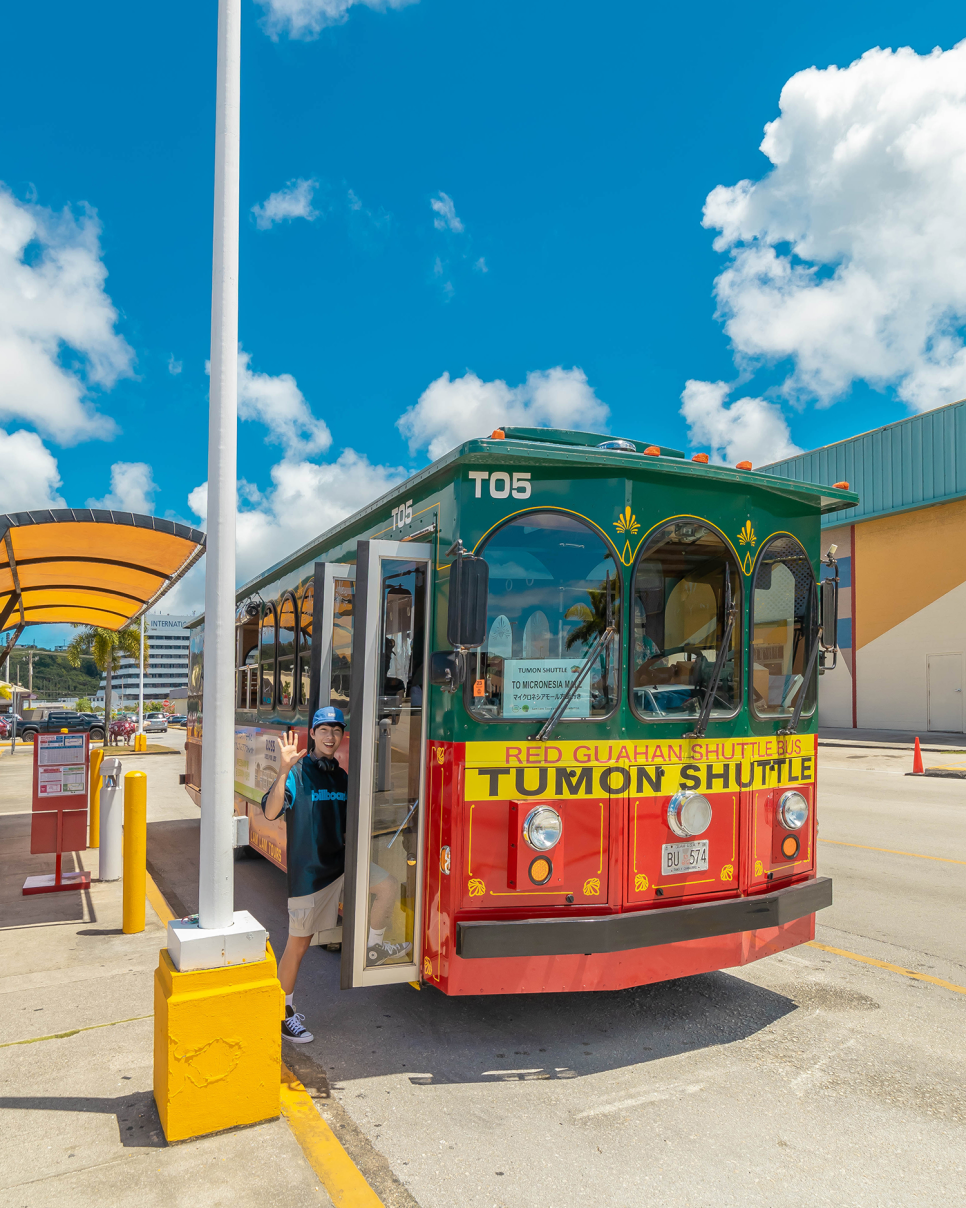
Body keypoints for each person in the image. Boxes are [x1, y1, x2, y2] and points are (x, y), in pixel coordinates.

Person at [262, 706, 411, 1044]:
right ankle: (281, 1013)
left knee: (387, 886)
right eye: (324, 730)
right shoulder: (298, 774)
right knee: (298, 946)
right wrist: (284, 770)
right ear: (312, 734)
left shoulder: (340, 777)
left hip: (343, 865)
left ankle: (372, 949)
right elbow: (271, 812)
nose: (331, 736)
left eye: (337, 730)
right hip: (311, 873)